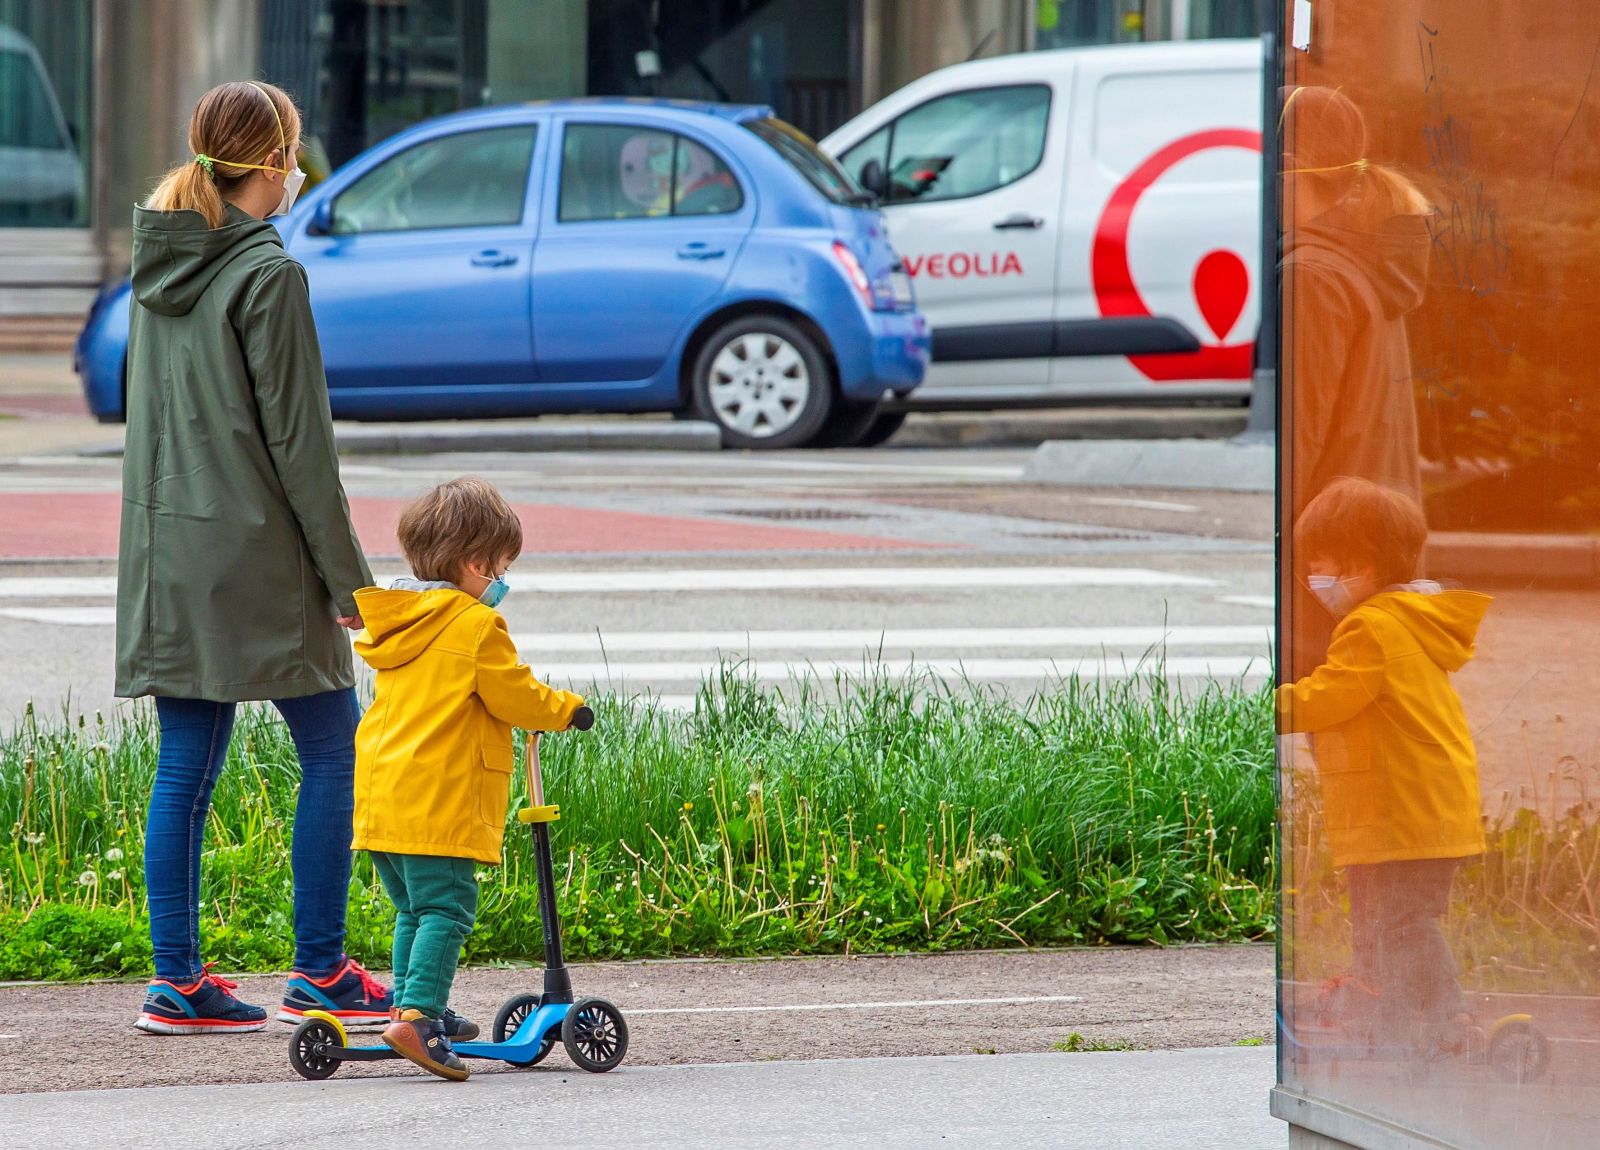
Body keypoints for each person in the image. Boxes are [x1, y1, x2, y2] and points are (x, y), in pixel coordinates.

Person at [119, 81, 390, 1034]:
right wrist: (352, 585)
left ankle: (176, 982)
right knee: (331, 743)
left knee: (185, 765)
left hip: (169, 554)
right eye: (295, 154)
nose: (299, 171)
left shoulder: (161, 266)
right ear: (271, 163)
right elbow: (301, 449)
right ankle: (319, 968)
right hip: (261, 559)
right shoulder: (267, 274)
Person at [351, 477, 588, 1081]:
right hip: (440, 796)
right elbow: (516, 695)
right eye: (501, 569)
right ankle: (421, 1019)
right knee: (448, 910)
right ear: (476, 563)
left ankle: (411, 1006)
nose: (502, 583)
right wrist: (566, 709)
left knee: (414, 909)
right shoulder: (474, 626)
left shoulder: (397, 621)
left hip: (383, 793)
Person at [1277, 478, 1489, 1044]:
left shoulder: (1371, 627)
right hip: (1416, 809)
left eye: (1331, 563)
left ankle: (1450, 1018)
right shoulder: (1409, 617)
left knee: (1401, 921)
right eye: (1313, 561)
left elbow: (1331, 695)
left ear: (1368, 564)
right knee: (1383, 920)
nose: (1317, 575)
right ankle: (1388, 1012)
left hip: (1403, 813)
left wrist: (1264, 706)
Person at [1281, 86, 1436, 678]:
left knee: (1323, 740)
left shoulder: (1313, 274)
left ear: (1290, 171)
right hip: (1367, 547)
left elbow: (1298, 440)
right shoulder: (1357, 261)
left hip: (1325, 554)